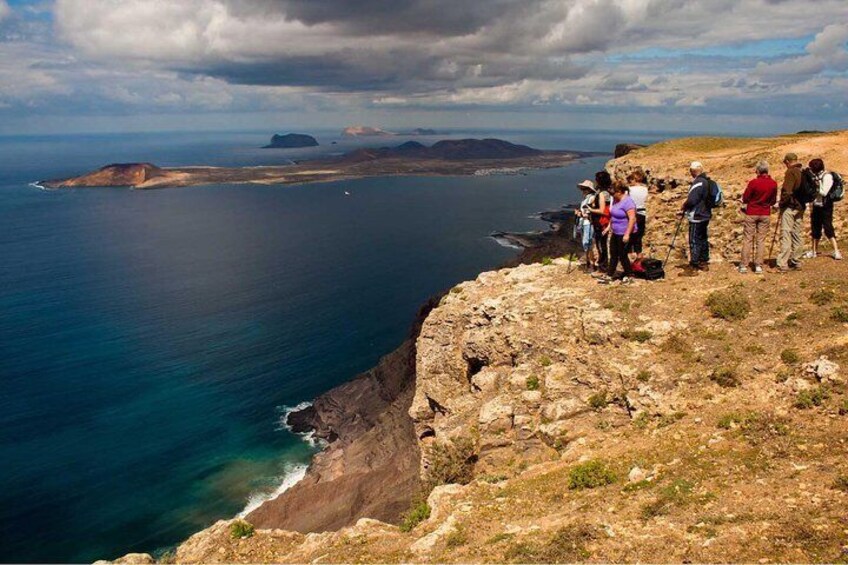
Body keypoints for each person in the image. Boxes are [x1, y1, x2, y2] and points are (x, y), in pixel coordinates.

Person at [739, 160, 778, 274]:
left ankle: (744, 265)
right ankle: (758, 265)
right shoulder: (773, 183)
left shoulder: (753, 183)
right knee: (761, 240)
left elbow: (745, 198)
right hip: (765, 212)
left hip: (752, 212)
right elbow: (773, 200)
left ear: (758, 171)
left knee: (748, 239)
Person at [805, 158, 842, 260]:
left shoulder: (827, 176)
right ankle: (813, 251)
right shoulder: (817, 177)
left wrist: (815, 186)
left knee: (828, 227)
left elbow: (824, 192)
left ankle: (836, 251)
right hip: (816, 205)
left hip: (826, 206)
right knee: (815, 228)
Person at [600, 181, 637, 282]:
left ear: (620, 191)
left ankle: (629, 275)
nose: (612, 195)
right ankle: (610, 274)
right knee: (613, 253)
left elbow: (632, 219)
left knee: (623, 254)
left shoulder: (628, 202)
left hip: (624, 232)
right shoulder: (616, 200)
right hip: (616, 232)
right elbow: (614, 214)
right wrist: (609, 227)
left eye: (613, 193)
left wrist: (627, 234)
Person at [681, 161, 712, 274]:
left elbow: (692, 200)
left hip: (697, 215)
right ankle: (703, 262)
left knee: (694, 239)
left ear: (692, 171)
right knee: (703, 238)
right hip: (705, 214)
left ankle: (694, 265)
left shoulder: (698, 182)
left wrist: (684, 205)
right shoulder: (707, 181)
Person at [776, 153, 805, 272]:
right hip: (800, 206)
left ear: (788, 161)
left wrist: (781, 203)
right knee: (797, 233)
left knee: (786, 233)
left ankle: (783, 263)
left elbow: (787, 191)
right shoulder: (802, 172)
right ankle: (796, 260)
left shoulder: (790, 172)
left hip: (790, 207)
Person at [588, 171, 612, 270]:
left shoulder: (602, 194)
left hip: (600, 221)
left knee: (601, 244)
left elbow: (602, 210)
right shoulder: (609, 192)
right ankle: (604, 265)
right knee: (602, 244)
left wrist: (590, 209)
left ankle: (603, 266)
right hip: (605, 222)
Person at [574, 180, 597, 271]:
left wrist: (582, 215)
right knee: (586, 243)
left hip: (588, 223)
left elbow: (592, 211)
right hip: (584, 223)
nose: (582, 191)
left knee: (588, 243)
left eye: (584, 189)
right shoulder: (585, 199)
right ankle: (589, 262)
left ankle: (592, 263)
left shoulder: (591, 198)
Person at [627, 170, 649, 261]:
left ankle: (629, 258)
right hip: (642, 214)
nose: (629, 181)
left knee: (629, 236)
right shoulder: (646, 189)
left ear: (635, 179)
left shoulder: (630, 190)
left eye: (631, 179)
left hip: (631, 214)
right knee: (638, 237)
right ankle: (639, 257)